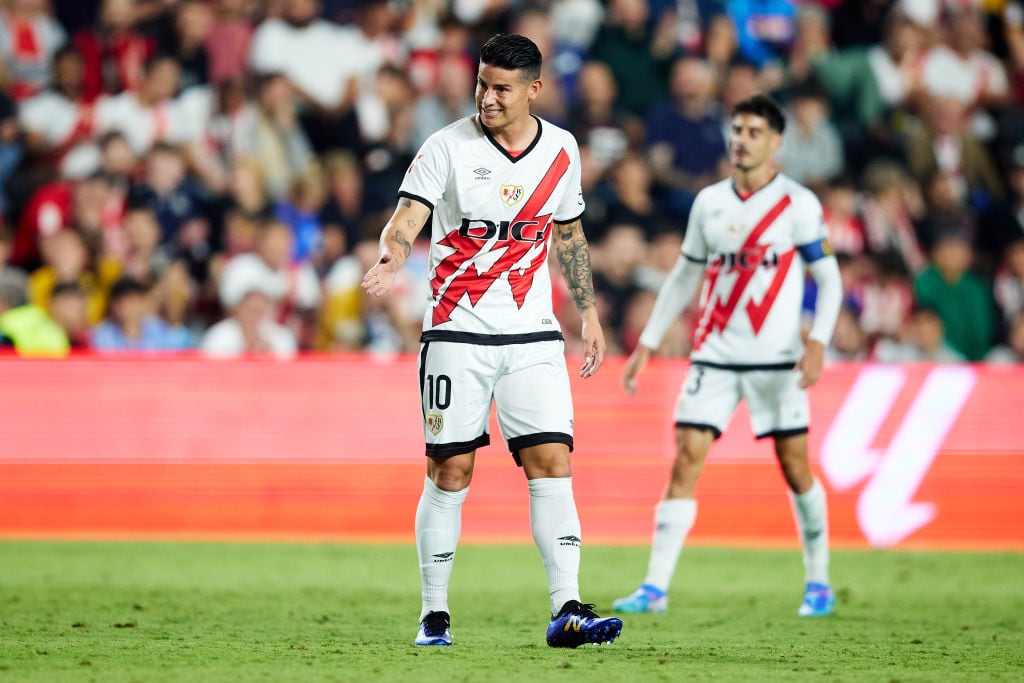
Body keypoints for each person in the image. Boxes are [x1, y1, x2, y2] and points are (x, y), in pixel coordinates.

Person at [360, 33, 622, 649]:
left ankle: (567, 609)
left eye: (502, 88)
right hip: (457, 332)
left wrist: (589, 311)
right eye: (482, 84)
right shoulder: (446, 147)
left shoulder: (561, 149)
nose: (487, 97)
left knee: (552, 462)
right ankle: (434, 612)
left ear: (534, 89)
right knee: (450, 470)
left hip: (533, 335)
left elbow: (569, 235)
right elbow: (408, 217)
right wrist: (392, 257)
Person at [611, 94, 843, 618]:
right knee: (685, 459)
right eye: (737, 129)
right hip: (713, 356)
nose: (741, 139)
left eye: (754, 132)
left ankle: (819, 581)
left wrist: (817, 343)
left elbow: (829, 280)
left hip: (776, 360)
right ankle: (654, 587)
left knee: (796, 467)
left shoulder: (798, 204)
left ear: (775, 142)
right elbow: (684, 275)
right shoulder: (709, 202)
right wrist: (648, 342)